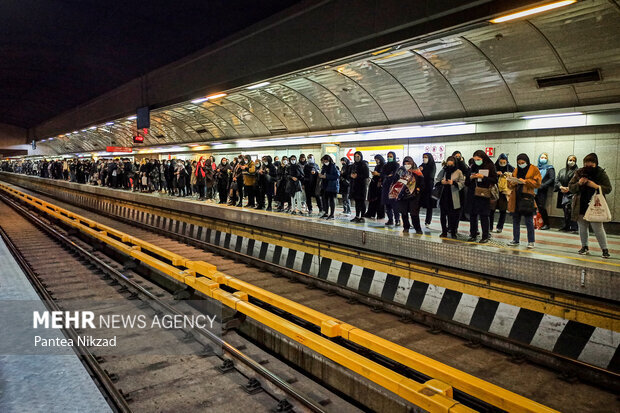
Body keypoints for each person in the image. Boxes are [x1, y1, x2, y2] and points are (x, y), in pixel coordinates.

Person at [568, 153, 612, 258]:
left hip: (595, 204)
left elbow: (608, 188)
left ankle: (604, 249)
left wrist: (596, 186)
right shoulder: (579, 173)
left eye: (591, 162)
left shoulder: (600, 173)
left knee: (598, 228)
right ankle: (584, 246)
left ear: (596, 163)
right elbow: (571, 187)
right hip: (581, 203)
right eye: (587, 162)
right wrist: (579, 183)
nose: (589, 164)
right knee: (582, 227)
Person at [507, 154, 541, 249]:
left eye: (523, 163)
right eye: (519, 163)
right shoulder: (516, 170)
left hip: (527, 197)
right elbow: (510, 184)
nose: (521, 164)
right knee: (515, 220)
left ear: (527, 161)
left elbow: (538, 183)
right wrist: (512, 182)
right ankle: (515, 239)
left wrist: (525, 181)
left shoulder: (534, 169)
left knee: (528, 221)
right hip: (516, 198)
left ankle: (531, 241)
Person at [465, 150, 497, 243]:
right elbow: (467, 182)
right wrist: (471, 177)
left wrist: (483, 177)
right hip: (473, 193)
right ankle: (473, 234)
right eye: (475, 159)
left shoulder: (490, 166)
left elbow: (495, 180)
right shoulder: (473, 166)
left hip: (484, 194)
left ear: (483, 158)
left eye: (478, 159)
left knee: (484, 215)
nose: (477, 161)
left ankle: (485, 236)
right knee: (473, 215)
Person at [435, 156, 465, 238]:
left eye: (451, 161)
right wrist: (442, 182)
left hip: (454, 197)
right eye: (449, 160)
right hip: (444, 196)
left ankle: (453, 232)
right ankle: (444, 231)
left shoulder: (458, 172)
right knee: (443, 215)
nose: (450, 162)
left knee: (453, 216)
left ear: (455, 162)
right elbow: (437, 180)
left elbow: (462, 183)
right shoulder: (444, 170)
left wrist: (453, 183)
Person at [395, 156, 424, 233]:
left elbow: (422, 182)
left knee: (414, 213)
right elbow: (395, 180)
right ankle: (406, 227)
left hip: (414, 195)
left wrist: (418, 189)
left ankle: (418, 228)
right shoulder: (400, 171)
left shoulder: (416, 171)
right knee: (404, 213)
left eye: (409, 163)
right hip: (403, 195)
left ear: (412, 163)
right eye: (405, 163)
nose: (407, 164)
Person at [491, 153, 514, 233]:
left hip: (504, 192)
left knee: (503, 210)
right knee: (491, 209)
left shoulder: (510, 168)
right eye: (501, 162)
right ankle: (490, 227)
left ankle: (500, 227)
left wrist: (505, 175)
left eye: (504, 162)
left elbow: (513, 178)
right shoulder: (493, 167)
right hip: (494, 191)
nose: (502, 163)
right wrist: (495, 174)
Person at [555, 155, 578, 232]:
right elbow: (557, 180)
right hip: (563, 193)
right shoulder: (562, 170)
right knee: (565, 210)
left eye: (573, 160)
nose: (571, 162)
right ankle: (566, 226)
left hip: (572, 193)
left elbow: (578, 182)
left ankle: (574, 227)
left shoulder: (578, 171)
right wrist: (561, 187)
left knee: (572, 210)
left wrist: (569, 188)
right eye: (570, 160)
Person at [535, 152, 555, 230]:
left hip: (542, 190)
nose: (543, 159)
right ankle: (535, 223)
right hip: (533, 190)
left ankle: (546, 224)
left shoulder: (550, 168)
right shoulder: (536, 168)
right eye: (542, 157)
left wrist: (543, 185)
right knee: (533, 207)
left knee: (541, 207)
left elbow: (552, 178)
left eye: (545, 158)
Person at [349, 151, 370, 223]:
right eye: (355, 156)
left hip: (362, 185)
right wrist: (351, 176)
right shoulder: (354, 165)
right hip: (355, 186)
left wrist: (357, 176)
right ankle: (357, 216)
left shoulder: (364, 164)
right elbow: (350, 173)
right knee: (357, 202)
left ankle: (363, 217)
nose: (356, 158)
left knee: (362, 201)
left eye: (358, 156)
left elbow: (366, 175)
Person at [381, 151, 400, 226]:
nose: (389, 158)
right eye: (388, 156)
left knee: (394, 205)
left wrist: (389, 176)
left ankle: (397, 220)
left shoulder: (396, 165)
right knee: (387, 204)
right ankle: (390, 219)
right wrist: (387, 176)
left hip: (394, 187)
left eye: (391, 156)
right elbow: (382, 174)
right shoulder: (385, 165)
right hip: (386, 186)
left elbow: (395, 175)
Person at [319, 155, 340, 219]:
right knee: (325, 200)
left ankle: (332, 214)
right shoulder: (324, 167)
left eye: (326, 161)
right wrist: (321, 175)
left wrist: (326, 176)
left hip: (332, 186)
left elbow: (336, 176)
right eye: (324, 161)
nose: (325, 162)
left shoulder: (333, 166)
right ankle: (326, 213)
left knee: (331, 200)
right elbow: (323, 174)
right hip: (325, 186)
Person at [365, 155, 386, 219]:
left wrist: (378, 174)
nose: (376, 161)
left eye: (377, 159)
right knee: (373, 200)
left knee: (379, 200)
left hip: (380, 184)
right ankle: (371, 213)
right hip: (374, 183)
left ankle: (380, 214)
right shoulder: (377, 166)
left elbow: (385, 175)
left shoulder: (384, 166)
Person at [419, 152, 437, 228]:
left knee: (429, 205)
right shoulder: (422, 165)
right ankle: (416, 221)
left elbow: (430, 175)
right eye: (423, 157)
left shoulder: (432, 165)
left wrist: (423, 170)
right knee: (418, 204)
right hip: (421, 187)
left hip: (429, 187)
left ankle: (428, 221)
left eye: (426, 157)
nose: (424, 158)